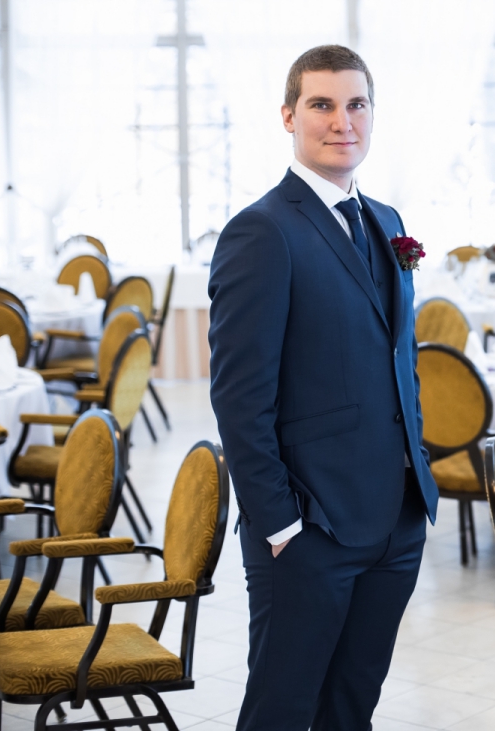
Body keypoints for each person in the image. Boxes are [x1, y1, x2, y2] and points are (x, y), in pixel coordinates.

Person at [208, 44, 439, 731]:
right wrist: (281, 525)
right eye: (322, 104)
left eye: (356, 104)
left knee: (351, 708)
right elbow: (240, 400)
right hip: (311, 529)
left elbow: (400, 358)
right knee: (280, 712)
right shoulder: (262, 232)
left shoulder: (387, 220)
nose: (343, 121)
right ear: (289, 116)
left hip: (395, 520)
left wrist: (416, 473)